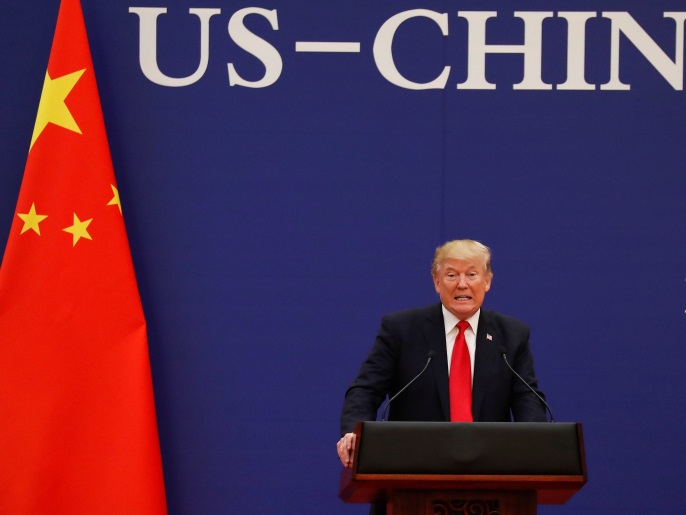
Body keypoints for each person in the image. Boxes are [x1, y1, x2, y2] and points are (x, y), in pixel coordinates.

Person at [336, 240, 547, 512]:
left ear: (487, 281)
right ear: (437, 282)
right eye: (451, 275)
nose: (462, 284)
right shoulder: (401, 330)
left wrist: (533, 443)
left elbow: (527, 399)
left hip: (491, 486)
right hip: (409, 481)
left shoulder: (512, 335)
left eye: (472, 274)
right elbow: (365, 390)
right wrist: (355, 433)